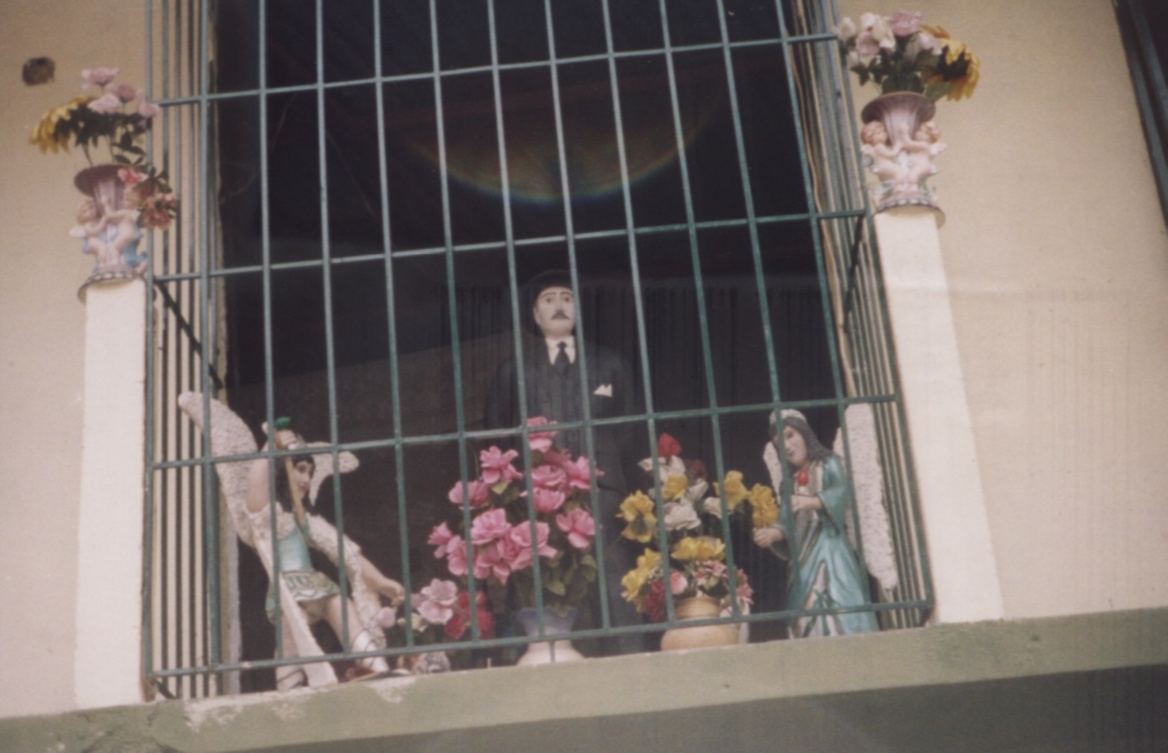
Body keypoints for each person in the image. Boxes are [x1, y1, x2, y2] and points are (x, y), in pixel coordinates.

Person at [483, 269, 643, 654]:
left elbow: (630, 431)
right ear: (535, 315)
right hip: (539, 494)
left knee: (613, 578)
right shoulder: (514, 369)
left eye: (567, 298)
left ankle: (629, 660)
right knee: (541, 580)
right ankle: (543, 659)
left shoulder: (610, 363)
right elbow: (496, 433)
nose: (559, 305)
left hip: (602, 488)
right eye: (549, 299)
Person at [246, 422, 406, 687]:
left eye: (310, 472)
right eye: (300, 469)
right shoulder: (268, 515)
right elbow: (255, 484)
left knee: (339, 605)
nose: (307, 479)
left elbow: (343, 550)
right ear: (281, 471)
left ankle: (375, 665)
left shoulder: (305, 521)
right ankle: (290, 686)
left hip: (312, 584)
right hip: (288, 591)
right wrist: (271, 449)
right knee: (291, 634)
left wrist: (379, 581)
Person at [753, 409, 878, 637]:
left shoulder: (828, 463)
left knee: (838, 598)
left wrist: (812, 501)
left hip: (830, 546)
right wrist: (772, 534)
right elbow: (786, 521)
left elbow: (840, 491)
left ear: (805, 433)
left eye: (790, 435)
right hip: (802, 555)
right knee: (805, 611)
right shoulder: (789, 484)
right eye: (780, 444)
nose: (787, 446)